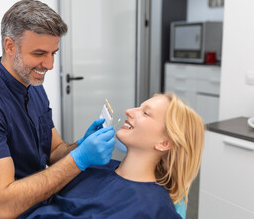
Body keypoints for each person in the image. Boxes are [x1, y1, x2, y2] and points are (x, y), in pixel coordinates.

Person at [0, 0, 116, 219]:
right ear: (10, 46)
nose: (49, 65)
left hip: (39, 199)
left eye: (53, 53)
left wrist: (80, 146)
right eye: (39, 54)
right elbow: (4, 206)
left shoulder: (33, 87)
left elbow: (55, 152)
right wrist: (79, 159)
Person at [19, 93, 205, 219]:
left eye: (145, 113)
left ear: (164, 143)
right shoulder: (92, 167)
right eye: (138, 107)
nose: (129, 111)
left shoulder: (156, 208)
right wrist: (77, 153)